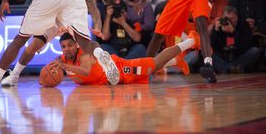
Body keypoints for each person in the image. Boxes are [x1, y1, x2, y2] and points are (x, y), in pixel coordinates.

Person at [0, 0, 104, 87]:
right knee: (33, 45)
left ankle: (103, 67)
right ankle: (14, 75)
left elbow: (95, 13)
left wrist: (97, 28)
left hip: (72, 24)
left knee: (84, 50)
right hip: (54, 22)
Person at [44, 31, 200, 85]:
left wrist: (65, 67)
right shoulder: (62, 59)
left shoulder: (84, 55)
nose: (66, 49)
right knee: (154, 68)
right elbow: (48, 73)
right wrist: (45, 80)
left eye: (69, 45)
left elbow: (85, 71)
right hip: (114, 82)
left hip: (120, 69)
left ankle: (191, 41)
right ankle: (175, 61)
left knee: (156, 64)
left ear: (77, 45)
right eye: (63, 46)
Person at [210, 6, 260, 73]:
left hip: (239, 55)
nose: (229, 21)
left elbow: (248, 44)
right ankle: (231, 69)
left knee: (255, 51)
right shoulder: (219, 25)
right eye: (226, 18)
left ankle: (224, 68)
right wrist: (215, 30)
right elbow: (212, 45)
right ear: (222, 17)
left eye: (231, 18)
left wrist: (233, 31)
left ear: (236, 17)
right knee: (207, 52)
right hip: (223, 55)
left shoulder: (244, 24)